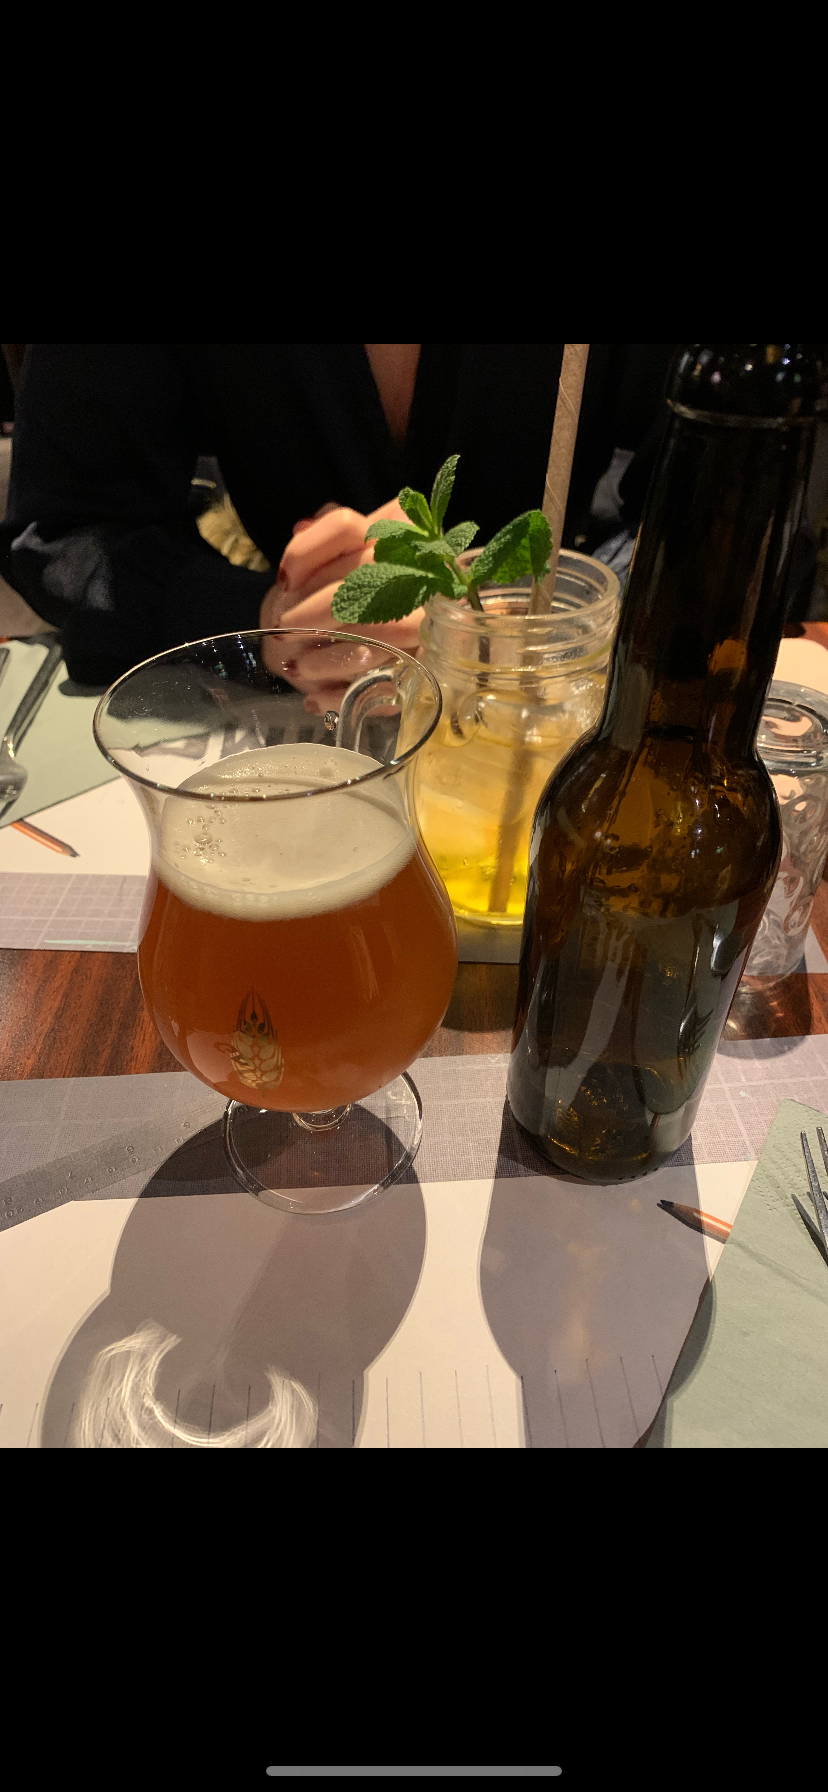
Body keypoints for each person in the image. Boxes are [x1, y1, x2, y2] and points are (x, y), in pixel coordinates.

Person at [2, 343, 679, 687]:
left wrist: (543, 625)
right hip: (279, 740)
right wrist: (266, 622)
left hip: (544, 720)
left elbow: (707, 518)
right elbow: (66, 530)